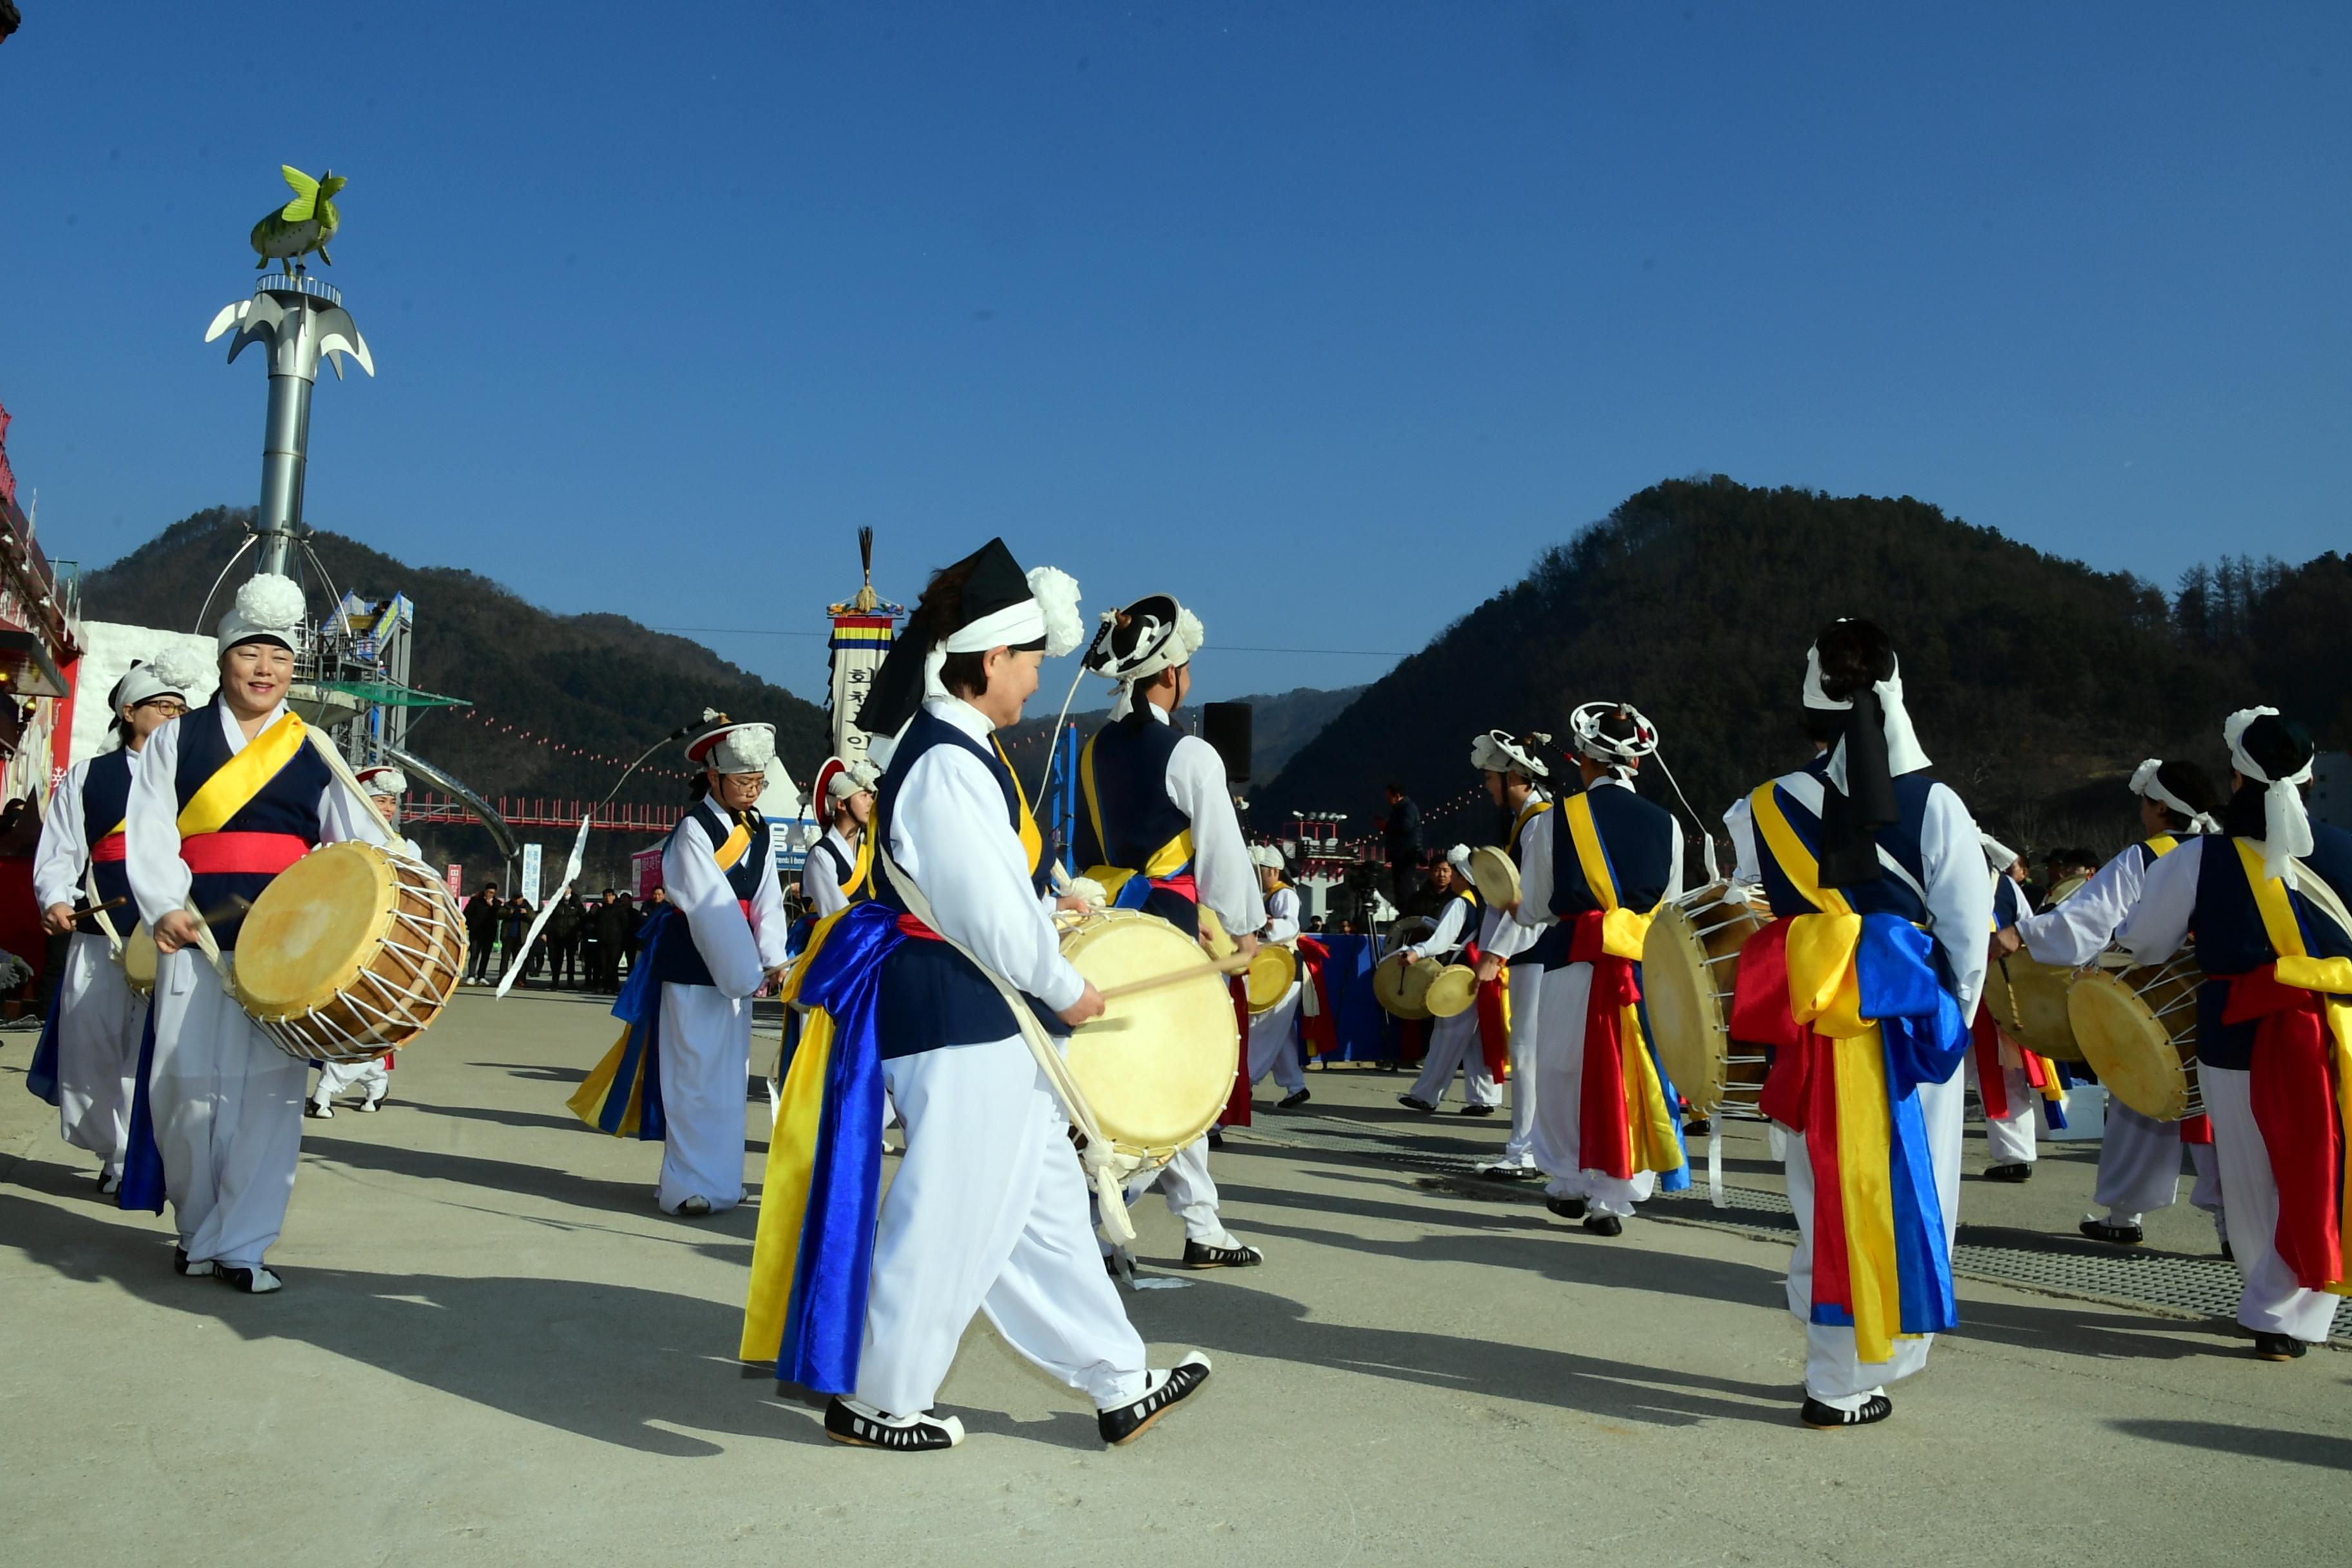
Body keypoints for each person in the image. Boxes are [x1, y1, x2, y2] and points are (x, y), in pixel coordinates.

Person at [740, 538, 1211, 1451]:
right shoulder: (952, 763)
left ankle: (1118, 1380)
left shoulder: (958, 750)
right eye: (1030, 659)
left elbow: (990, 890)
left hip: (974, 1011)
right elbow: (985, 912)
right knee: (951, 1210)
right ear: (989, 659)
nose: (1038, 677)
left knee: (1038, 1214)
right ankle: (882, 1395)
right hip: (962, 1011)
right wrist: (1068, 984)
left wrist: (1056, 907)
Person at [1723, 619, 1988, 1427]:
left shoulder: (1761, 807)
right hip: (1905, 1043)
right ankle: (1846, 1374)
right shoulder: (1936, 803)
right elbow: (1967, 939)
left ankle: (1839, 1360)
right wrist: (1944, 1035)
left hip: (1809, 1037)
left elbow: (1740, 907)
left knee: (1820, 1199)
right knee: (1907, 1200)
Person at [123, 573, 391, 1293]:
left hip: (289, 950)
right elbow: (149, 831)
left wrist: (411, 882)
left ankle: (243, 1243)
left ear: (293, 667)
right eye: (250, 654)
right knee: (184, 1091)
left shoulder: (317, 748)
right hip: (196, 936)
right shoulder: (176, 738)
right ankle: (197, 1227)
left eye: (277, 656)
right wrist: (163, 903)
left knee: (269, 1097)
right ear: (225, 659)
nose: (264, 668)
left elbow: (363, 847)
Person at [2117, 709, 2352, 1361]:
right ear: (2308, 778)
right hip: (2337, 1034)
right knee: (2325, 1168)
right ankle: (2302, 1309)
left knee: (2251, 1176)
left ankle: (2272, 1306)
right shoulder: (2345, 849)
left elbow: (2146, 941)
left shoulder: (2199, 856)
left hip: (2236, 1030)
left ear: (2237, 777)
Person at [1072, 591, 1266, 1268]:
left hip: (1108, 917)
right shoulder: (1190, 754)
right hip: (1171, 923)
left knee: (1146, 1070)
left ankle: (1203, 1222)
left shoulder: (1095, 748)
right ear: (1171, 672)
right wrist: (1245, 930)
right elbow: (1222, 850)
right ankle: (1099, 1232)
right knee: (1173, 1075)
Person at [1992, 758, 2227, 1248]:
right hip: (2225, 997)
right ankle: (2236, 1230)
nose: (2142, 812)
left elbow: (2086, 922)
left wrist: (2023, 932)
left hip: (2151, 1004)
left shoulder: (2145, 857)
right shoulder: (2230, 849)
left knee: (2139, 1104)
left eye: (2145, 804)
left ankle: (2125, 1216)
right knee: (2226, 1118)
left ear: (2161, 808)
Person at [570, 713, 792, 1217]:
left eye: (759, 781)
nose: (753, 790)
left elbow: (768, 899)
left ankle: (722, 1183)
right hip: (696, 961)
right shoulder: (694, 830)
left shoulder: (756, 830)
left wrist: (773, 956)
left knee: (729, 1079)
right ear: (713, 777)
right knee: (692, 1074)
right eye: (743, 780)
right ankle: (685, 1184)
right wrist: (745, 969)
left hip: (734, 968)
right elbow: (709, 904)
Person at [1511, 705, 1688, 1235]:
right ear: (1636, 762)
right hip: (1639, 966)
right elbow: (1670, 906)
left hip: (1574, 955)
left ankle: (1567, 1180)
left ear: (1586, 756)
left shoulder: (1554, 819)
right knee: (1632, 1074)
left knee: (1563, 1070)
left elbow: (1536, 907)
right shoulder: (1670, 825)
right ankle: (1614, 1197)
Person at [28, 654, 199, 1194]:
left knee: (158, 1050)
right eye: (162, 706)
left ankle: (139, 1156)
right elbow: (60, 851)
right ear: (129, 710)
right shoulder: (89, 777)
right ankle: (113, 1147)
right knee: (94, 1049)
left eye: (180, 707)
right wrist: (55, 897)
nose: (173, 715)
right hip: (103, 932)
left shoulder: (194, 777)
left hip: (172, 937)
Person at [1467, 729, 1556, 1179]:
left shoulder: (1539, 821)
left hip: (1536, 950)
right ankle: (1532, 1146)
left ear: (1516, 777)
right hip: (1531, 950)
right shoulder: (1528, 821)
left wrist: (1494, 953)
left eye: (1491, 777)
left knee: (1527, 1051)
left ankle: (1527, 1150)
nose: (1486, 786)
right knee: (1528, 1051)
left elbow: (1532, 902)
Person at [309, 764, 418, 1118]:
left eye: (392, 802)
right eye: (381, 800)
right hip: (338, 941)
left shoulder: (403, 847)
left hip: (383, 947)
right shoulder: (334, 844)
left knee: (365, 1018)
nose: (388, 809)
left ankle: (325, 1091)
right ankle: (376, 1082)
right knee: (345, 1017)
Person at [1970, 832, 2050, 1182]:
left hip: (1983, 986)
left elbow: (2026, 927)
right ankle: (2014, 1154)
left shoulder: (1942, 877)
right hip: (1993, 986)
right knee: (2005, 1074)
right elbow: (2027, 923)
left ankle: (2014, 1155)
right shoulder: (2005, 885)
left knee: (2001, 1073)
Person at [1398, 846, 1498, 1115]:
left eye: (1452, 873)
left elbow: (1442, 941)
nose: (1448, 878)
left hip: (1459, 979)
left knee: (1446, 1036)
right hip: (1479, 976)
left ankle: (1426, 1095)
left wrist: (1416, 951)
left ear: (1462, 876)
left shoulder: (1459, 903)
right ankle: (1484, 1098)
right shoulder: (1482, 902)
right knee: (1476, 1040)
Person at [1244, 843, 1310, 1110]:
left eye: (1259, 870)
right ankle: (1296, 1085)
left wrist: (1271, 925)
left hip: (1282, 970)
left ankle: (1245, 1082)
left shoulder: (1284, 895)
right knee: (1278, 1032)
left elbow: (1291, 926)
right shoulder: (1270, 895)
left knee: (1264, 1029)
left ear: (1274, 870)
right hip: (1275, 969)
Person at [801, 756, 879, 918]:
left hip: (867, 936)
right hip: (836, 937)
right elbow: (835, 913)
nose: (870, 803)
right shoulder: (821, 854)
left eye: (871, 796)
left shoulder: (868, 846)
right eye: (863, 796)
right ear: (841, 804)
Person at [1382, 783, 1424, 910]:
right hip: (1402, 854)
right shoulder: (1403, 808)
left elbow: (1405, 826)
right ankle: (1404, 911)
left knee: (1404, 887)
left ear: (1397, 796)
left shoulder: (1406, 808)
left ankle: (1406, 913)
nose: (1388, 800)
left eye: (1389, 797)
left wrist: (1387, 826)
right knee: (1401, 887)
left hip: (1405, 854)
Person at [547, 888, 585, 989]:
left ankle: (570, 981)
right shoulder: (556, 901)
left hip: (571, 935)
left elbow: (583, 917)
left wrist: (580, 931)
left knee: (571, 959)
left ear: (571, 889)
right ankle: (555, 981)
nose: (565, 890)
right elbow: (548, 917)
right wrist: (546, 932)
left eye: (567, 888)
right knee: (557, 959)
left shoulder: (576, 902)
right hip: (557, 934)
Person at [464, 881, 501, 983]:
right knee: (474, 954)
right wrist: (471, 925)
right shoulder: (475, 901)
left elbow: (499, 915)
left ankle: (482, 976)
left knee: (486, 955)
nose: (490, 894)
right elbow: (467, 914)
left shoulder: (497, 903)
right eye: (488, 892)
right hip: (476, 932)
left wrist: (492, 906)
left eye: (492, 893)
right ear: (485, 891)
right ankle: (471, 975)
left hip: (489, 933)